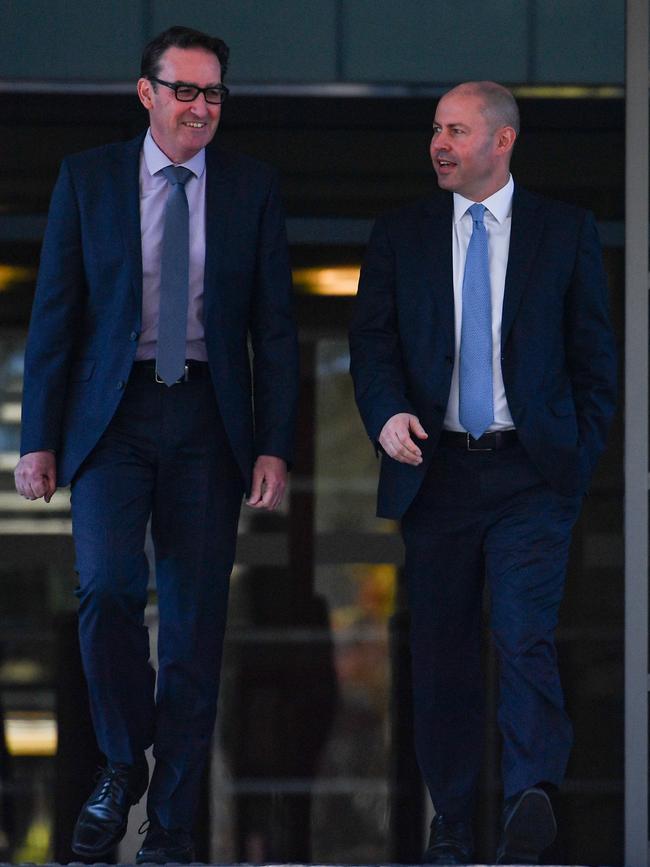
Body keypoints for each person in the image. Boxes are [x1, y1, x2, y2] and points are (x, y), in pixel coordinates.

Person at [14, 25, 299, 865]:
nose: (200, 107)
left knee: (194, 625)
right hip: (114, 416)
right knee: (104, 590)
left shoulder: (252, 187)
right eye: (185, 90)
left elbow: (276, 333)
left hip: (210, 419)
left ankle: (171, 826)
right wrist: (37, 437)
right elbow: (55, 317)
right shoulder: (89, 179)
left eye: (213, 93)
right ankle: (119, 759)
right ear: (147, 93)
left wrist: (274, 443)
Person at [349, 81, 616, 864]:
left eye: (457, 131)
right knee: (442, 651)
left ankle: (532, 797)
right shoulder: (400, 234)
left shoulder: (564, 232)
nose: (439, 143)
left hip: (529, 473)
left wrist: (575, 452)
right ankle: (454, 819)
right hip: (435, 473)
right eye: (436, 128)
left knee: (523, 632)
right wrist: (387, 414)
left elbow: (594, 359)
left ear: (502, 142)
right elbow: (372, 344)